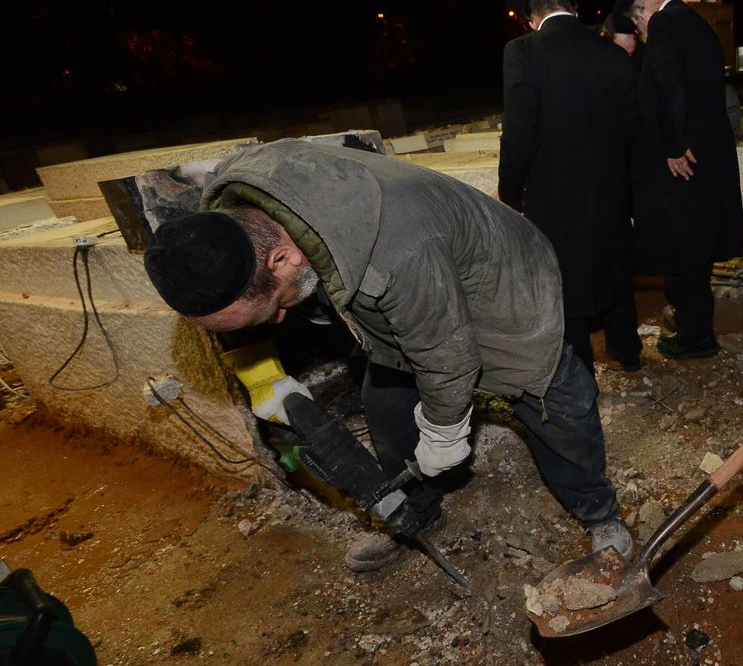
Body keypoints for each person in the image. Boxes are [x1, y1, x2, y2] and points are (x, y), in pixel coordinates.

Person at [142, 139, 633, 571]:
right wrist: (262, 374)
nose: (277, 322)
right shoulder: (230, 210)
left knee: (554, 401)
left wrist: (445, 432)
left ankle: (600, 515)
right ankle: (416, 513)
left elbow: (446, 353)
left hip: (502, 279)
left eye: (272, 309)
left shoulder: (397, 255)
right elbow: (239, 304)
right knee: (387, 406)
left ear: (284, 258)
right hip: (406, 285)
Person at [499, 0, 642, 374]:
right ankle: (628, 352)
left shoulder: (522, 53)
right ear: (574, 7)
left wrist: (509, 192)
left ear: (529, 14)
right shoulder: (614, 55)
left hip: (554, 194)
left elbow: (520, 132)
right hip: (612, 189)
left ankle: (580, 370)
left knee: (565, 280)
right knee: (615, 270)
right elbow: (631, 130)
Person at [614, 0, 743, 359]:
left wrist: (672, 145)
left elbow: (670, 85)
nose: (639, 29)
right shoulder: (692, 21)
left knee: (683, 250)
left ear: (643, 9)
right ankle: (694, 327)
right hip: (706, 153)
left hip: (684, 160)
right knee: (694, 249)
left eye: (637, 21)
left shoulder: (667, 26)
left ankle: (696, 338)